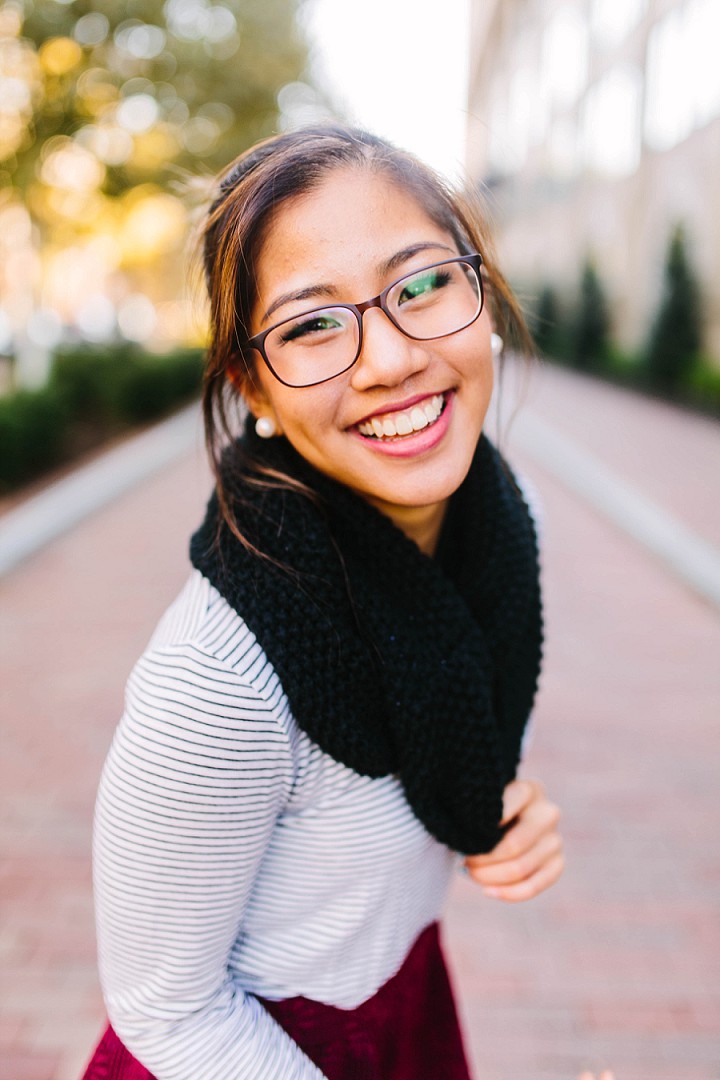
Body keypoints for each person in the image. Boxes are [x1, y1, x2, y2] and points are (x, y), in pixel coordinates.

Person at [81, 125, 608, 1080]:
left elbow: (412, 764)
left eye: (419, 285)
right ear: (255, 390)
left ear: (480, 293)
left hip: (404, 1012)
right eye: (311, 326)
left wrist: (494, 806)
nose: (389, 361)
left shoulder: (485, 543)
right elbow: (166, 1010)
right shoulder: (217, 680)